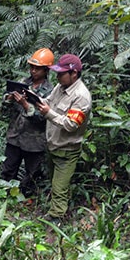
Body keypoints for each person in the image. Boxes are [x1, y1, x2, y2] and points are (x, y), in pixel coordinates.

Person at [36, 54, 92, 223]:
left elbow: (71, 125)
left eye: (61, 73)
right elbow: (49, 101)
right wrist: (33, 99)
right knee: (57, 184)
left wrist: (48, 113)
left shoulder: (81, 96)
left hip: (67, 150)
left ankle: (56, 220)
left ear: (74, 73)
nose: (58, 76)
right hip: (54, 145)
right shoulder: (60, 87)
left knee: (59, 188)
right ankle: (62, 210)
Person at [1, 48, 54, 198]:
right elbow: (4, 105)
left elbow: (45, 117)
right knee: (8, 170)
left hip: (34, 142)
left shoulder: (50, 92)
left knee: (31, 176)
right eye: (32, 67)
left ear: (46, 70)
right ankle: (3, 199)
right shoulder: (23, 83)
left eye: (38, 68)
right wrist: (9, 99)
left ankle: (26, 202)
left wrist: (26, 105)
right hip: (15, 136)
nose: (33, 71)